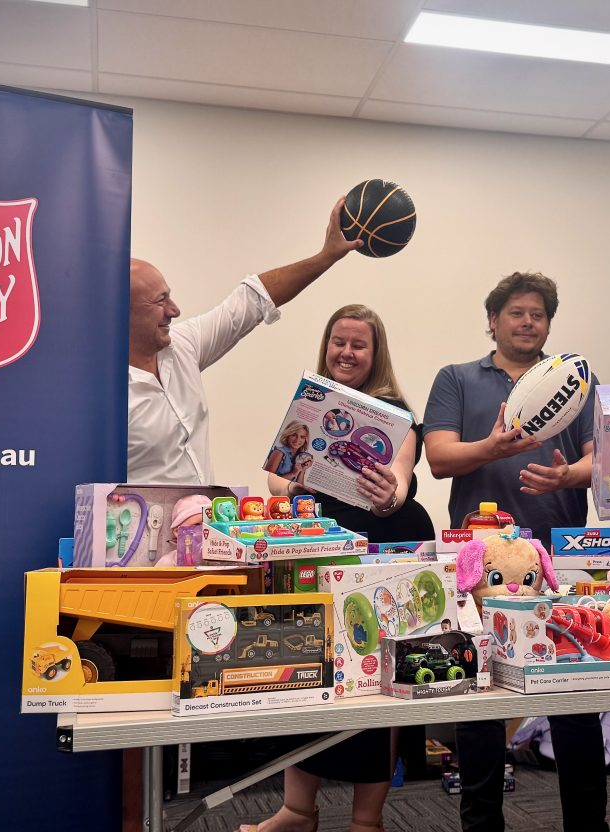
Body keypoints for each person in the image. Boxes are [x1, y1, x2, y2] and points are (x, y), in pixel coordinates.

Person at [424, 272, 608, 832]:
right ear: (493, 320)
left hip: (556, 558)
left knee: (574, 698)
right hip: (478, 569)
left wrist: (567, 476)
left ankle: (588, 826)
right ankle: (481, 825)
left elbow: (601, 459)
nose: (528, 322)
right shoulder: (456, 378)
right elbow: (439, 458)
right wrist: (491, 447)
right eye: (516, 313)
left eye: (538, 314)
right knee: (480, 700)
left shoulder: (575, 380)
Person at [243, 305, 435, 832]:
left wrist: (388, 493)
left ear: (376, 353)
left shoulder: (396, 415)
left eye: (358, 344)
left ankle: (366, 821)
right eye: (338, 342)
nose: (346, 352)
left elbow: (399, 480)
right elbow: (277, 479)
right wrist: (297, 481)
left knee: (380, 678)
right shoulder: (310, 403)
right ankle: (297, 811)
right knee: (308, 667)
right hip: (318, 544)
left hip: (383, 544)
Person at [127, 197, 362, 484]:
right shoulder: (103, 394)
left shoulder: (182, 345)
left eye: (170, 296)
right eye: (160, 301)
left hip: (205, 511)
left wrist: (326, 257)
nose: (174, 310)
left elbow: (251, 300)